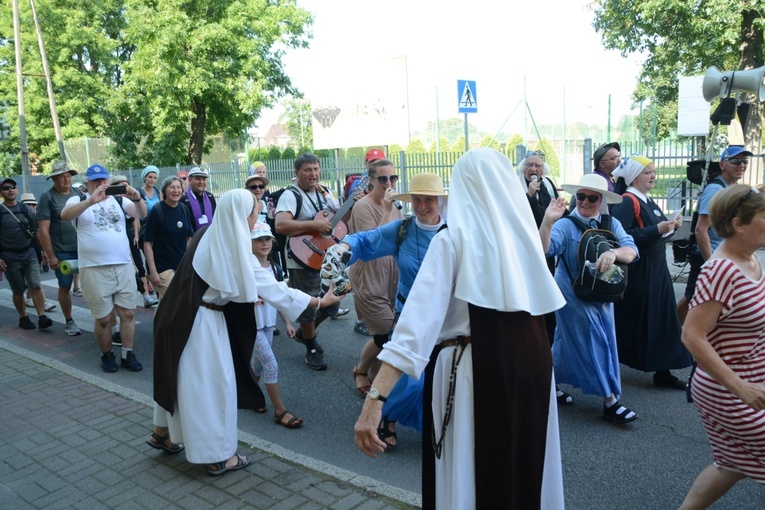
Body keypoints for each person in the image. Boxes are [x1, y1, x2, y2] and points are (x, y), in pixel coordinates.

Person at [355, 148, 566, 509]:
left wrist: (374, 402)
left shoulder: (451, 241)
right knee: (524, 465)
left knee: (473, 476)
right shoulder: (526, 243)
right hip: (533, 370)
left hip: (472, 370)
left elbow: (413, 331)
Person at [149, 189, 344, 476]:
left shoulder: (207, 232)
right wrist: (320, 301)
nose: (257, 218)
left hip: (173, 315)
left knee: (174, 375)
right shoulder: (236, 248)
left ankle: (161, 433)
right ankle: (218, 457)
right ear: (241, 215)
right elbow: (273, 289)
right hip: (200, 322)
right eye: (254, 213)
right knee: (213, 387)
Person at [331, 172, 446, 450]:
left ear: (440, 201)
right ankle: (387, 417)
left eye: (428, 199)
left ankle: (437, 423)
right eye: (416, 199)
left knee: (440, 379)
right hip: (408, 315)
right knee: (411, 379)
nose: (421, 206)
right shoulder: (403, 229)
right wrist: (343, 247)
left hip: (445, 320)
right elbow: (366, 240)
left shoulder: (455, 234)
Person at [679, 184, 765, 509]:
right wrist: (740, 387)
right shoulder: (721, 271)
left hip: (752, 380)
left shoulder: (752, 259)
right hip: (729, 390)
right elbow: (691, 335)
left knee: (731, 466)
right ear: (738, 223)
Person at [540, 173, 640, 424]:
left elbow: (632, 251)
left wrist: (613, 253)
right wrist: (548, 221)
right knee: (595, 341)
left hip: (602, 293)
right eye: (580, 196)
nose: (584, 202)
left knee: (568, 341)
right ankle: (610, 401)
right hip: (571, 291)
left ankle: (546, 384)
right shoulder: (565, 224)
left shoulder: (611, 223)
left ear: (602, 199)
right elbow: (543, 250)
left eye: (592, 197)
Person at [611, 156, 692, 389]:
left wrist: (669, 227)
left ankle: (663, 371)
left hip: (656, 270)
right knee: (635, 321)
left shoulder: (645, 199)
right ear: (634, 177)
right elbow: (622, 237)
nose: (653, 176)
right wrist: (657, 228)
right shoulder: (628, 201)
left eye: (653, 172)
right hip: (641, 272)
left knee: (662, 320)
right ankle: (610, 362)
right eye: (648, 172)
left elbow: (652, 233)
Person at [61, 163, 147, 373]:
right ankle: (106, 354)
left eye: (104, 180)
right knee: (104, 318)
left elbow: (142, 213)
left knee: (127, 313)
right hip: (94, 268)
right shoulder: (79, 199)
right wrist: (91, 200)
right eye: (96, 181)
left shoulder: (118, 199)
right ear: (88, 182)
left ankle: (128, 353)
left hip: (123, 265)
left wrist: (136, 197)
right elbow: (65, 215)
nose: (101, 184)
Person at [274, 152, 346, 371]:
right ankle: (311, 348)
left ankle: (305, 334)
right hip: (302, 257)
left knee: (334, 299)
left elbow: (339, 223)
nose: (313, 174)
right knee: (308, 304)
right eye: (308, 169)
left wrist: (353, 205)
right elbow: (281, 225)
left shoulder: (324, 192)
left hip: (325, 257)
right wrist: (313, 226)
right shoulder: (291, 195)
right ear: (297, 173)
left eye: (316, 169)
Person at [517, 151, 572, 405]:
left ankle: (548, 373)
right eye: (530, 165)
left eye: (538, 165)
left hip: (547, 251)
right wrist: (528, 193)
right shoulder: (517, 185)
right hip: (525, 254)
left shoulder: (548, 184)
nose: (533, 168)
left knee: (548, 313)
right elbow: (515, 215)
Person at [345, 159, 403, 394]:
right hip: (370, 278)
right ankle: (361, 370)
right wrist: (388, 209)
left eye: (392, 178)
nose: (388, 183)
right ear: (371, 180)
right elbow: (372, 242)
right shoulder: (363, 207)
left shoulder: (397, 206)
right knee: (385, 335)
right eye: (382, 179)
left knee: (387, 334)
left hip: (392, 277)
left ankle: (373, 376)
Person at [677, 146, 752, 324]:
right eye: (735, 161)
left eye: (744, 161)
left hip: (722, 257)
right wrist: (711, 264)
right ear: (722, 164)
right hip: (710, 258)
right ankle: (672, 334)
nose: (741, 165)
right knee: (692, 299)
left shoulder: (731, 187)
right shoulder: (715, 190)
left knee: (710, 300)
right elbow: (700, 229)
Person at [249, 222, 304, 428]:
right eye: (258, 240)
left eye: (266, 239)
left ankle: (248, 394)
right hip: (251, 326)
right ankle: (280, 412)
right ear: (250, 243)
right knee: (270, 365)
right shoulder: (246, 268)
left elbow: (279, 296)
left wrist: (287, 322)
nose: (264, 244)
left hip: (267, 324)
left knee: (258, 365)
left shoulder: (275, 269)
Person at [36, 161, 83, 336]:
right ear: (54, 179)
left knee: (92, 283)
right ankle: (69, 321)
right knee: (65, 286)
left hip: (83, 248)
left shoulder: (78, 193)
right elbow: (43, 231)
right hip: (62, 251)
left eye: (69, 175)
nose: (66, 179)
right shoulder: (47, 198)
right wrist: (51, 255)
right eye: (62, 176)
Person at [0, 178, 54, 330]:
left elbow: (36, 232)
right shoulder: (0, 211)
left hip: (29, 254)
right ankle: (23, 318)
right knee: (18, 290)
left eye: (13, 187)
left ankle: (42, 317)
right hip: (10, 257)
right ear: (1, 192)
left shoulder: (27, 209)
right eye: (6, 188)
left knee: (35, 285)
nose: (10, 190)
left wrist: (43, 250)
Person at [110, 175, 157, 309]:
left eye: (126, 185)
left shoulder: (130, 201)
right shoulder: (112, 202)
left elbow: (137, 217)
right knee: (128, 268)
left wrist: (136, 235)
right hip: (118, 240)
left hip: (131, 236)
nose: (124, 188)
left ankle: (146, 296)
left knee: (140, 266)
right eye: (120, 185)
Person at [143, 176, 194, 299]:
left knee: (166, 306)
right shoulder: (157, 211)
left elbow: (189, 238)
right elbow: (147, 243)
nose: (176, 191)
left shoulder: (184, 209)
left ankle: (159, 319)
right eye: (172, 187)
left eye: (178, 187)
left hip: (180, 266)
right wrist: (153, 272)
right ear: (165, 190)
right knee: (176, 300)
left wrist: (189, 263)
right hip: (162, 268)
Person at [20, 193, 56, 313]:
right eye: (28, 204)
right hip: (20, 252)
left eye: (33, 204)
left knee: (33, 278)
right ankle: (42, 302)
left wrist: (44, 251)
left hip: (34, 251)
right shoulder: (18, 216)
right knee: (33, 279)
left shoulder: (37, 217)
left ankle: (31, 298)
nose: (31, 206)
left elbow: (41, 234)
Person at [180, 166, 216, 231]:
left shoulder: (210, 196)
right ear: (190, 180)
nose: (201, 182)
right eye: (197, 179)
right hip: (193, 238)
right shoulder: (183, 198)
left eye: (204, 179)